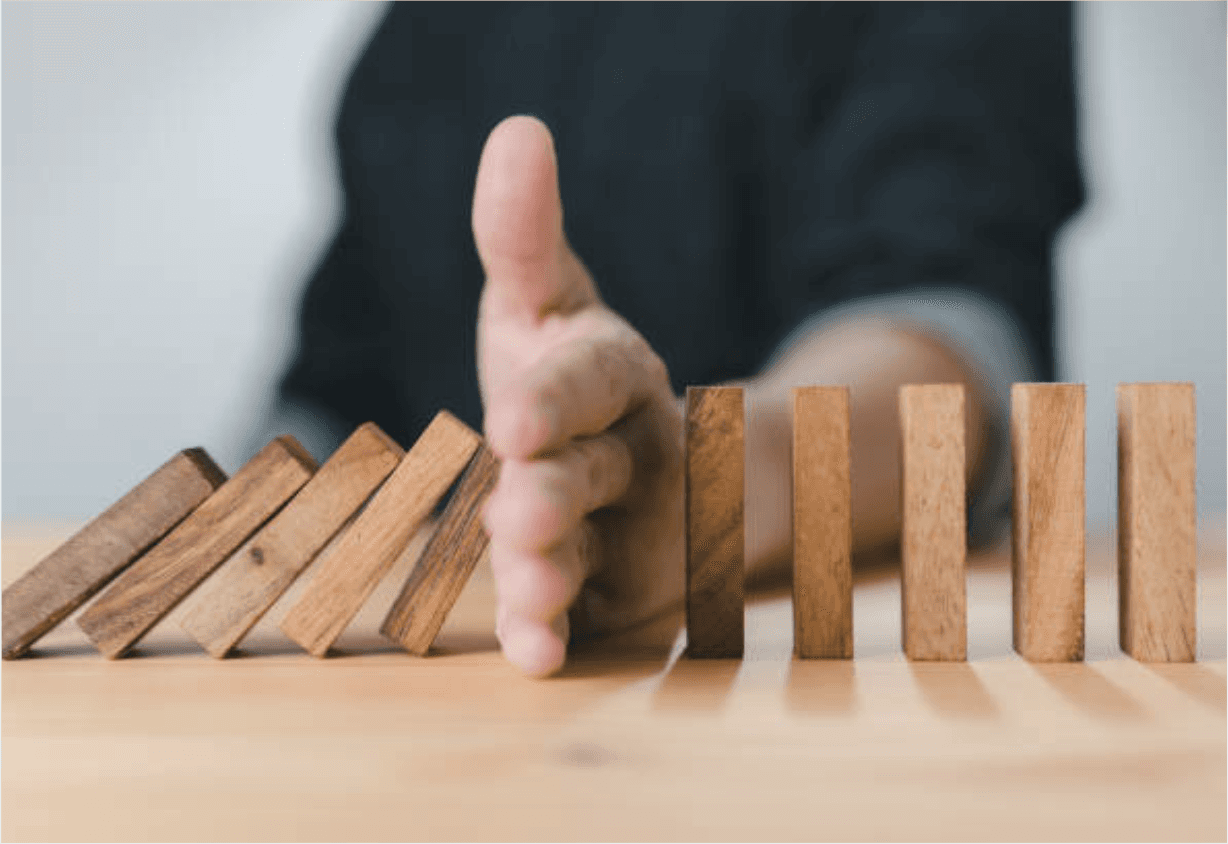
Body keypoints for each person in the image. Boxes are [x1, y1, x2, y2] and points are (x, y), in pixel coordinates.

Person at [268, 3, 1085, 676]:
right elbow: (334, 392)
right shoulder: (418, 32)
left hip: (803, 688)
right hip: (449, 699)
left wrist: (707, 490)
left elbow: (944, 332)